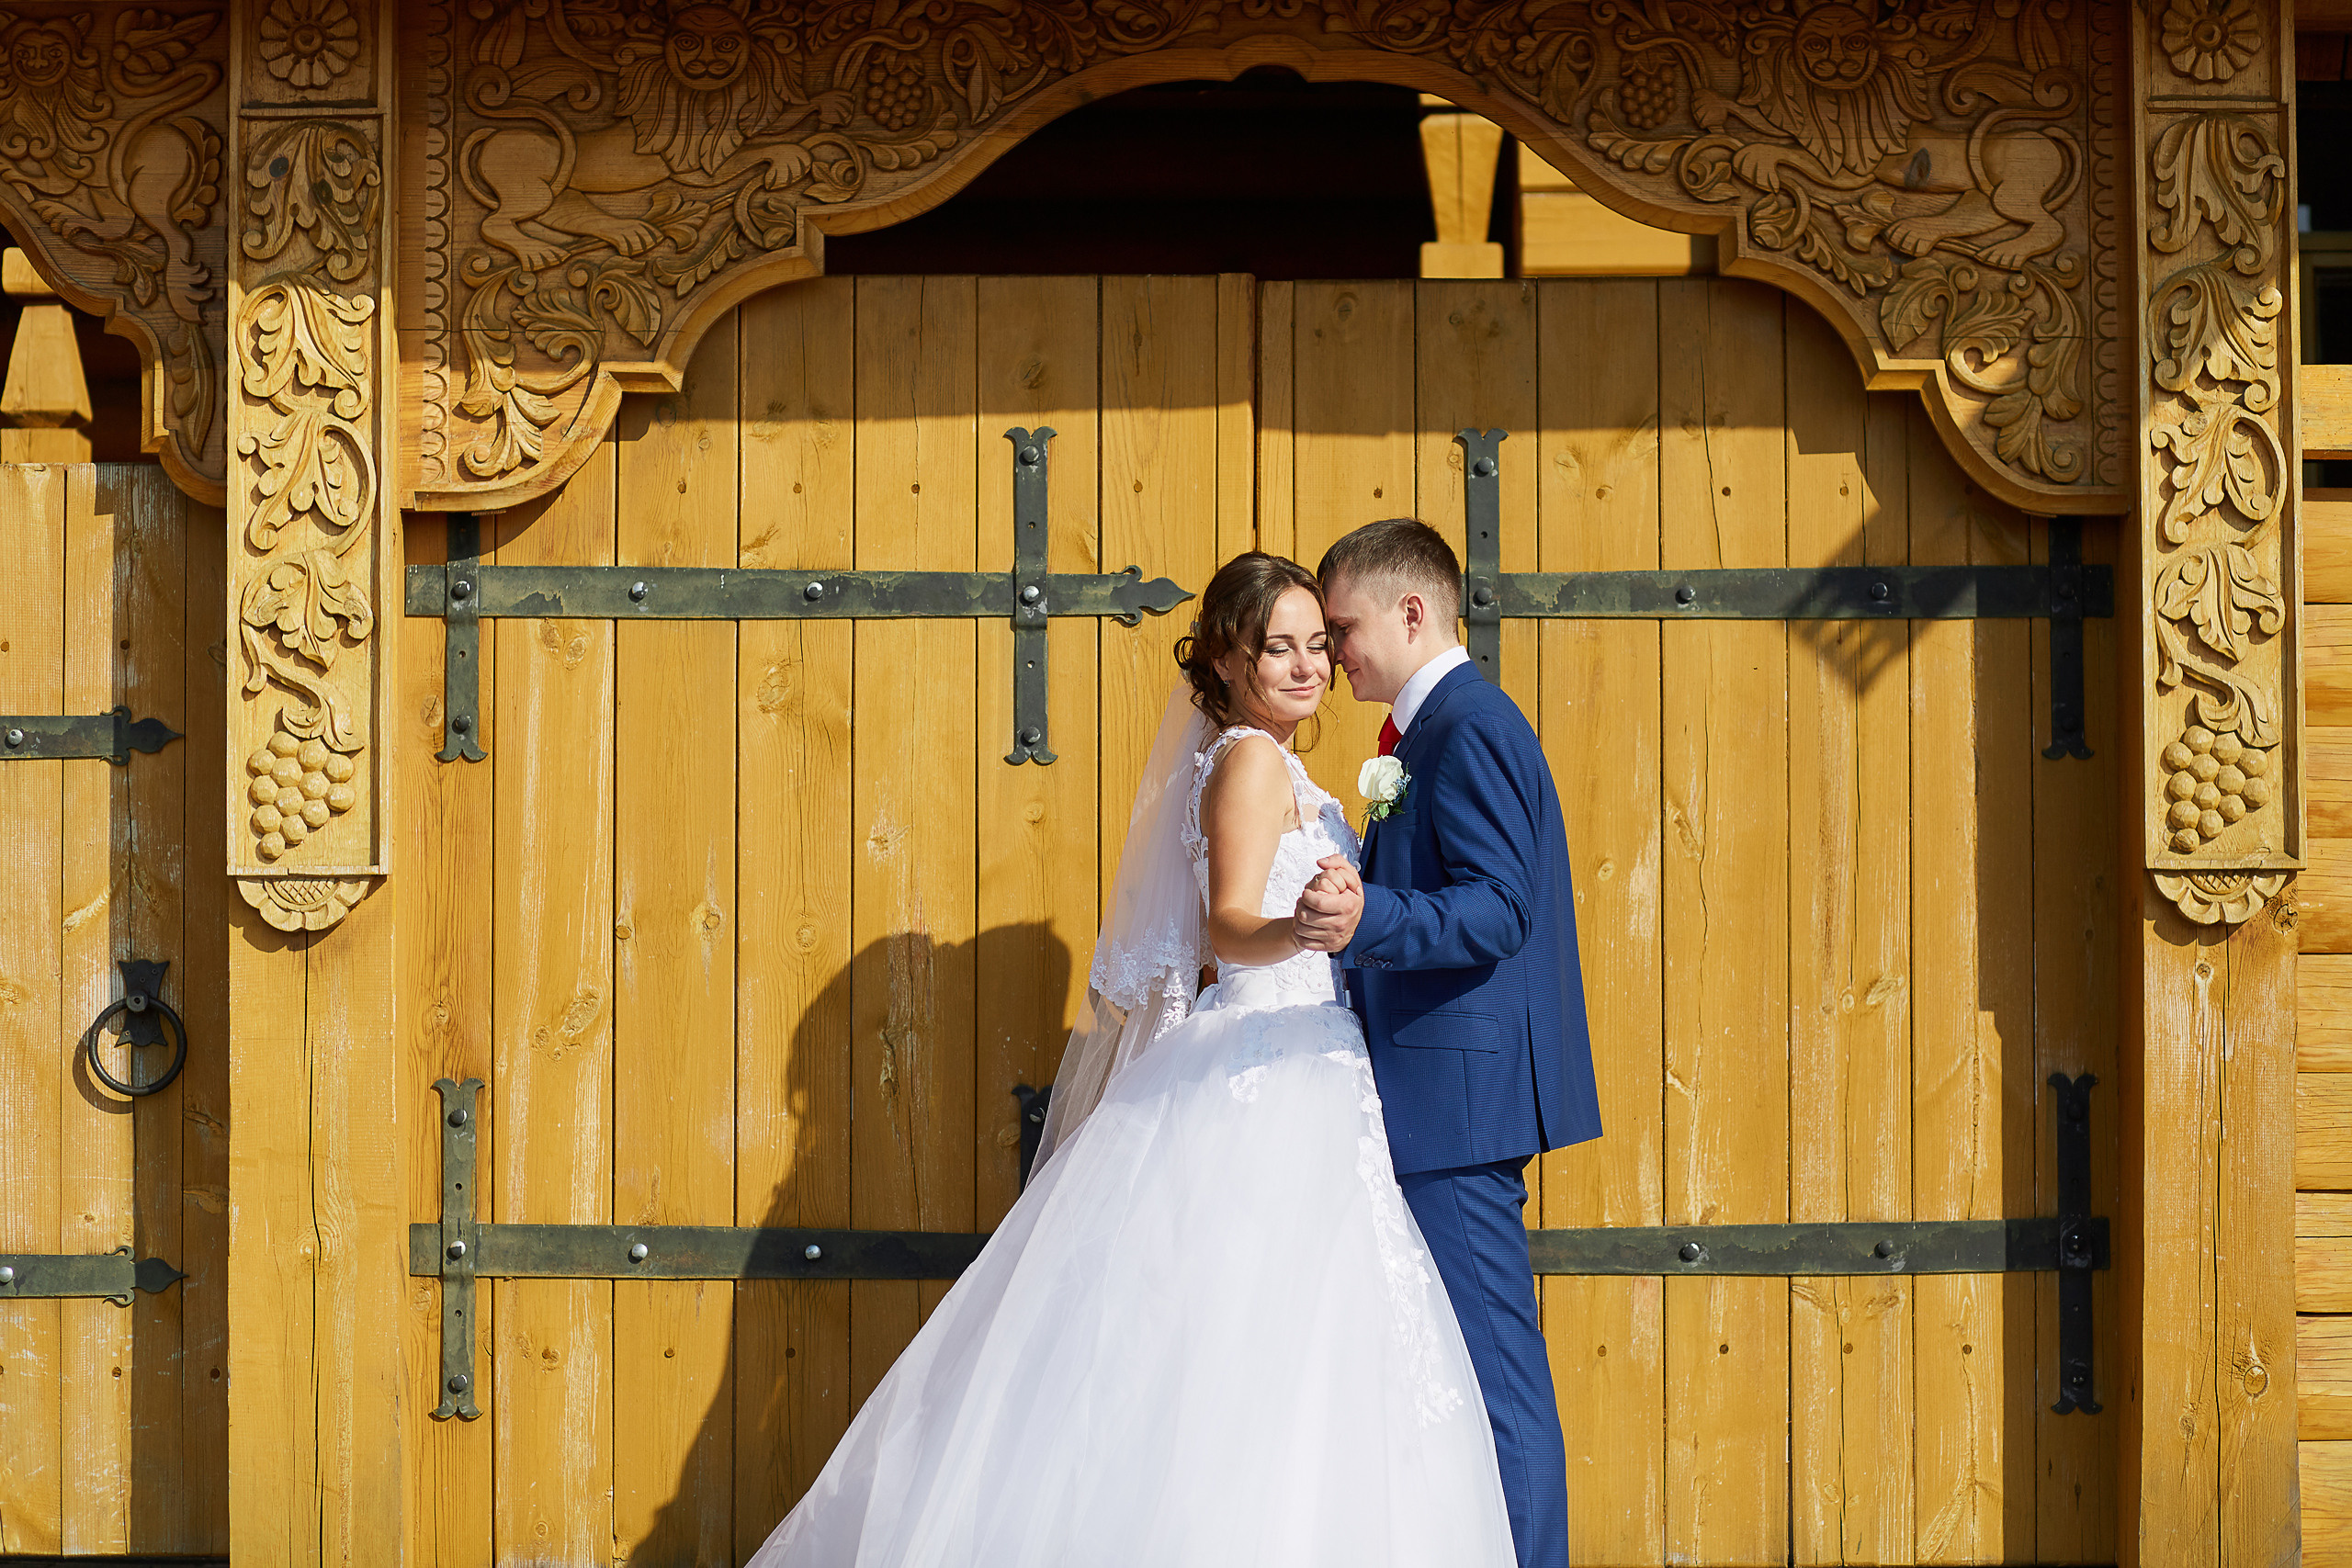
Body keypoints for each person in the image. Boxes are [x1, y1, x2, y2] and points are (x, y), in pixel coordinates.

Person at [749, 551, 1516, 1567]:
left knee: (1290, 1341)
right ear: (1227, 663)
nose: (1304, 666)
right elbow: (1228, 928)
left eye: (1316, 645)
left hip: (1317, 1067)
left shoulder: (1280, 766)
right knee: (1252, 1339)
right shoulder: (1246, 762)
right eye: (1275, 647)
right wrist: (1308, 928)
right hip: (1268, 1064)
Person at [1292, 516, 1601, 1568]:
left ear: (1411, 610)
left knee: (1492, 1379)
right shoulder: (1426, 736)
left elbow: (1499, 908)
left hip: (1458, 1107)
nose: (1333, 655)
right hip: (1435, 1096)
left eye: (1342, 628)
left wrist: (1365, 919)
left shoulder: (1469, 727)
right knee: (1457, 1373)